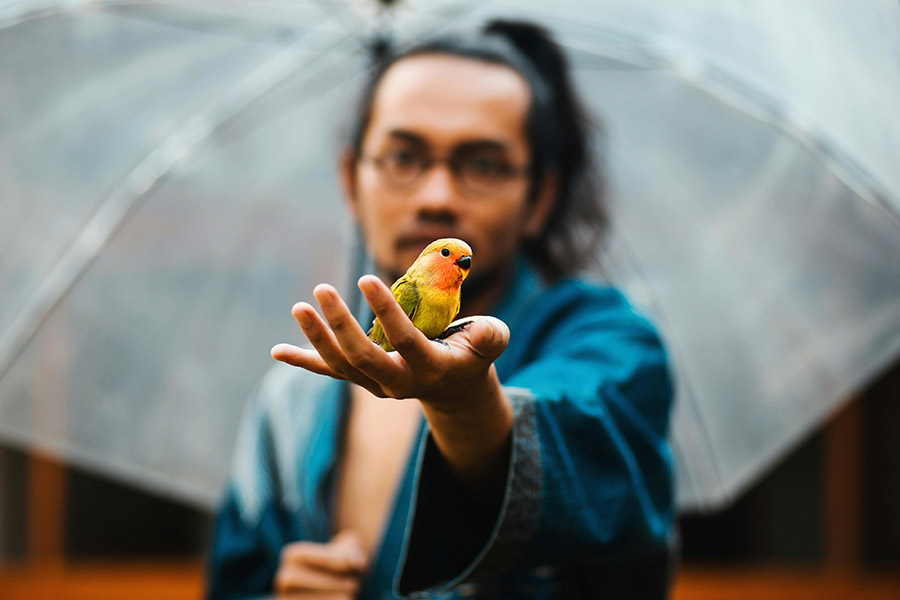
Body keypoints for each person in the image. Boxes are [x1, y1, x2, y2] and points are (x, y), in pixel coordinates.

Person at [207, 19, 675, 600]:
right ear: (353, 180)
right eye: (403, 157)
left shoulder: (610, 345)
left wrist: (469, 408)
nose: (436, 196)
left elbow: (597, 468)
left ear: (540, 198)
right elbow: (233, 576)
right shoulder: (289, 404)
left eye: (482, 165)